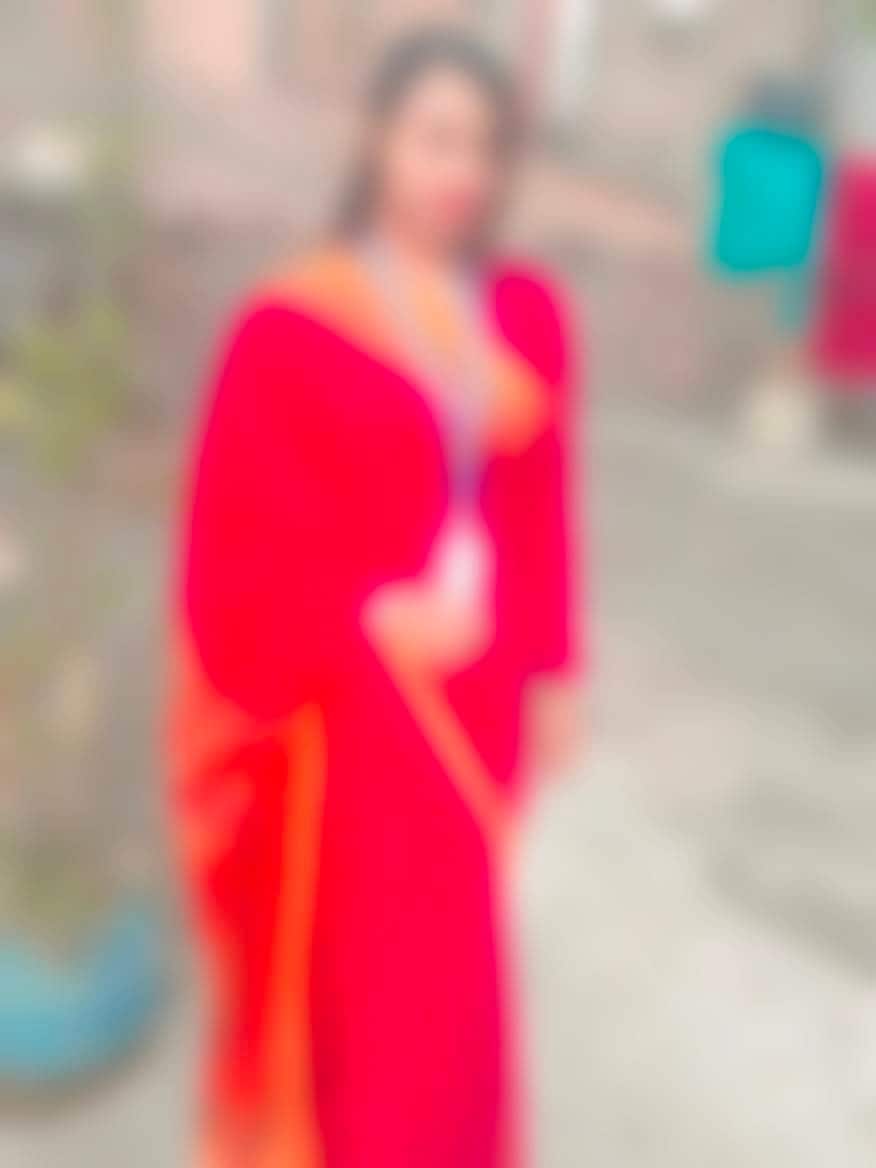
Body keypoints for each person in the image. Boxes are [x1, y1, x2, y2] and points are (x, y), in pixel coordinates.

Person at [170, 26, 585, 1168]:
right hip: (346, 728)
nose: (462, 172)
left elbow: (543, 510)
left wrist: (556, 671)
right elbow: (232, 546)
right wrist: (364, 617)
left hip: (476, 709)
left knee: (454, 1002)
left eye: (483, 147)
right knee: (361, 998)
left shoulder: (528, 314)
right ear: (376, 139)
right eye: (435, 139)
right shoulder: (291, 326)